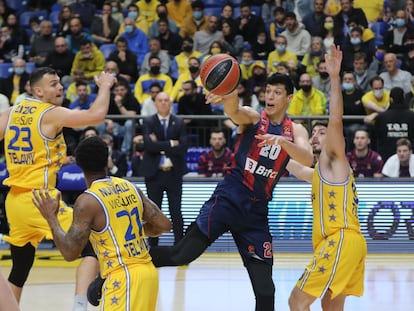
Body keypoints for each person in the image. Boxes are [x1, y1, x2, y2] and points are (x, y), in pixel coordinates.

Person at [88, 73, 314, 311]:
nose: (270, 96)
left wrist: (281, 142)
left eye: (277, 92)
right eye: (268, 90)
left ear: (289, 98)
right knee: (180, 255)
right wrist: (227, 94)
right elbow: (235, 111)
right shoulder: (255, 118)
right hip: (227, 201)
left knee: (266, 291)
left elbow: (307, 158)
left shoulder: (295, 130)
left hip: (255, 214)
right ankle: (108, 273)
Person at [257, 45, 367, 310]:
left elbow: (336, 120)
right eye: (313, 133)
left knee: (296, 301)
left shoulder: (334, 159)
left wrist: (335, 76)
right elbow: (291, 165)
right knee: (330, 307)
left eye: (319, 132)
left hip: (340, 239)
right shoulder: (320, 172)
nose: (315, 135)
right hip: (344, 243)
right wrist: (274, 140)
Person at [0, 67, 116, 308]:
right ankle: (79, 306)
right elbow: (96, 115)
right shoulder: (50, 113)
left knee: (20, 267)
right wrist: (104, 86)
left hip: (14, 202)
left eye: (60, 83)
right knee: (92, 248)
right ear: (38, 90)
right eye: (53, 84)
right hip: (40, 199)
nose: (60, 87)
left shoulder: (11, 112)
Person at [32, 136, 171, 310]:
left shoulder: (87, 201)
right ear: (107, 160)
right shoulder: (128, 186)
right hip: (148, 274)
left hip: (123, 278)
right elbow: (164, 224)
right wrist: (137, 231)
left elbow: (70, 252)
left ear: (79, 165)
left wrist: (51, 218)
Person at [141, 92, 188, 247]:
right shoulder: (148, 121)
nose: (163, 103)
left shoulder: (179, 122)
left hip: (173, 173)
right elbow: (148, 145)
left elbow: (183, 147)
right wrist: (170, 144)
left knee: (176, 211)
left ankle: (179, 246)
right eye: (160, 100)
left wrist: (159, 145)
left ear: (171, 103)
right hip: (154, 173)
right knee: (153, 213)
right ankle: (153, 247)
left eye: (166, 100)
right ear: (155, 103)